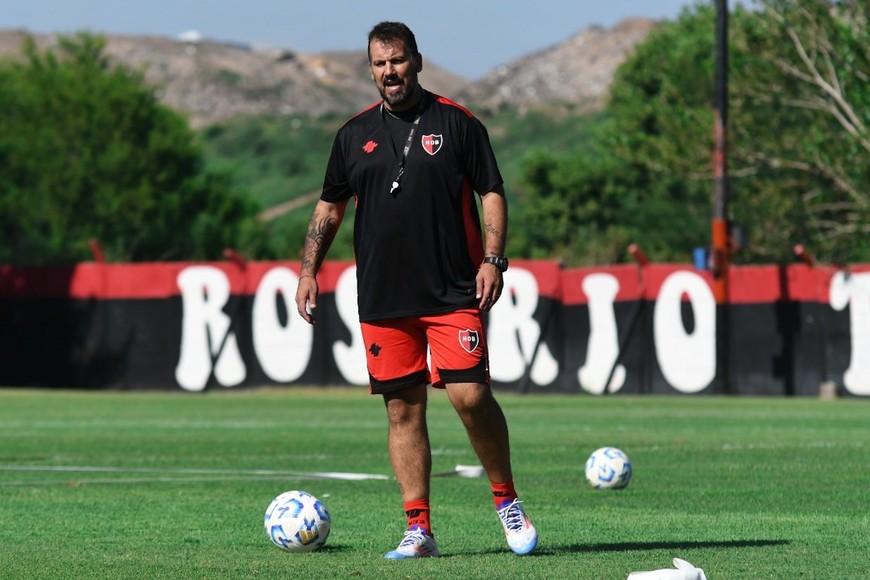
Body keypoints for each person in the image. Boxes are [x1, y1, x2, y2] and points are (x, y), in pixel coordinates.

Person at [294, 20, 537, 559]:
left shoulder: (458, 123)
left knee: (471, 398)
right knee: (402, 410)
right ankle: (419, 528)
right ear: (371, 70)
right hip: (383, 297)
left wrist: (494, 258)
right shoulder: (352, 135)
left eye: (398, 61)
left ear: (417, 61)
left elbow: (491, 191)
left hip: (453, 290)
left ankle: (507, 503)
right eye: (380, 64)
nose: (390, 72)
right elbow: (329, 207)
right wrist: (309, 269)